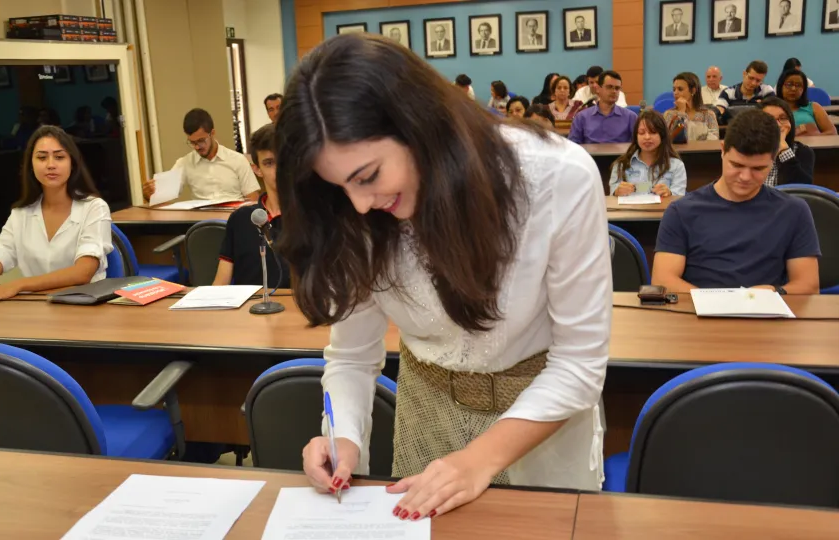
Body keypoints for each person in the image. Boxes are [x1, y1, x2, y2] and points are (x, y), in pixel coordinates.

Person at [278, 34, 610, 519]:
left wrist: (478, 461)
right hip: (428, 412)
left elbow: (580, 363)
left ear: (420, 125)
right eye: (338, 185)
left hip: (541, 420)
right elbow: (351, 355)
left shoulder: (555, 178)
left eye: (368, 176)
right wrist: (342, 435)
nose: (360, 204)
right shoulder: (352, 212)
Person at [651, 109, 820, 294]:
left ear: (773, 161)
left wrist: (775, 292)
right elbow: (663, 280)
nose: (746, 177)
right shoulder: (681, 211)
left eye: (758, 168)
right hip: (699, 314)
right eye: (737, 165)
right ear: (722, 150)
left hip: (767, 313)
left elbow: (808, 285)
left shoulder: (794, 211)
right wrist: (716, 302)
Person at [0, 126, 113, 304]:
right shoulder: (21, 214)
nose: (50, 164)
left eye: (59, 157)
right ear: (31, 165)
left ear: (72, 163)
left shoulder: (94, 208)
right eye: (41, 157)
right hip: (38, 309)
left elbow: (83, 272)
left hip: (87, 307)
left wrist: (18, 285)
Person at [213, 124, 290, 288]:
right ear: (257, 169)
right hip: (248, 310)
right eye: (269, 163)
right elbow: (220, 283)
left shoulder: (313, 218)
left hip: (298, 309)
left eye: (284, 160)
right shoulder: (240, 219)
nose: (279, 170)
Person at [142, 108, 260, 203]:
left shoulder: (237, 160)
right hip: (202, 223)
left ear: (212, 133)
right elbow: (162, 196)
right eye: (192, 142)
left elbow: (253, 199)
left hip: (233, 220)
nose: (197, 147)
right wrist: (150, 194)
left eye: (201, 140)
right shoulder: (185, 163)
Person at [609, 110, 687, 197]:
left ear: (662, 135)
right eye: (641, 133)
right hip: (631, 210)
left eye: (653, 132)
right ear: (636, 136)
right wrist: (616, 192)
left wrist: (670, 193)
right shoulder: (621, 165)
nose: (647, 137)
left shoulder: (676, 166)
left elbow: (679, 199)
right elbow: (612, 197)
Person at [568, 71, 637, 144]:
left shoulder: (630, 117)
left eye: (617, 88)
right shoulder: (581, 118)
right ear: (598, 89)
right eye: (609, 87)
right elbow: (573, 146)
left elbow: (637, 147)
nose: (614, 91)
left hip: (621, 155)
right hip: (590, 155)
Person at [759, 97, 815, 186]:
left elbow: (803, 190)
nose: (777, 124)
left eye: (783, 118)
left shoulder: (803, 152)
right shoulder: (747, 151)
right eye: (769, 119)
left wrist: (784, 151)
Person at [776, 70, 835, 136]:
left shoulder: (814, 107)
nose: (793, 88)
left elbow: (832, 132)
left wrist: (814, 136)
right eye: (789, 84)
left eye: (798, 85)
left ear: (803, 89)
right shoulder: (771, 109)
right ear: (780, 86)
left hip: (812, 145)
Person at [663, 72, 719, 142]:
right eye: (674, 89)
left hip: (702, 152)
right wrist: (681, 113)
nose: (675, 93)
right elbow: (675, 138)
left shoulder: (708, 115)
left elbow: (713, 142)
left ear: (693, 90)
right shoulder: (669, 114)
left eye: (680, 89)